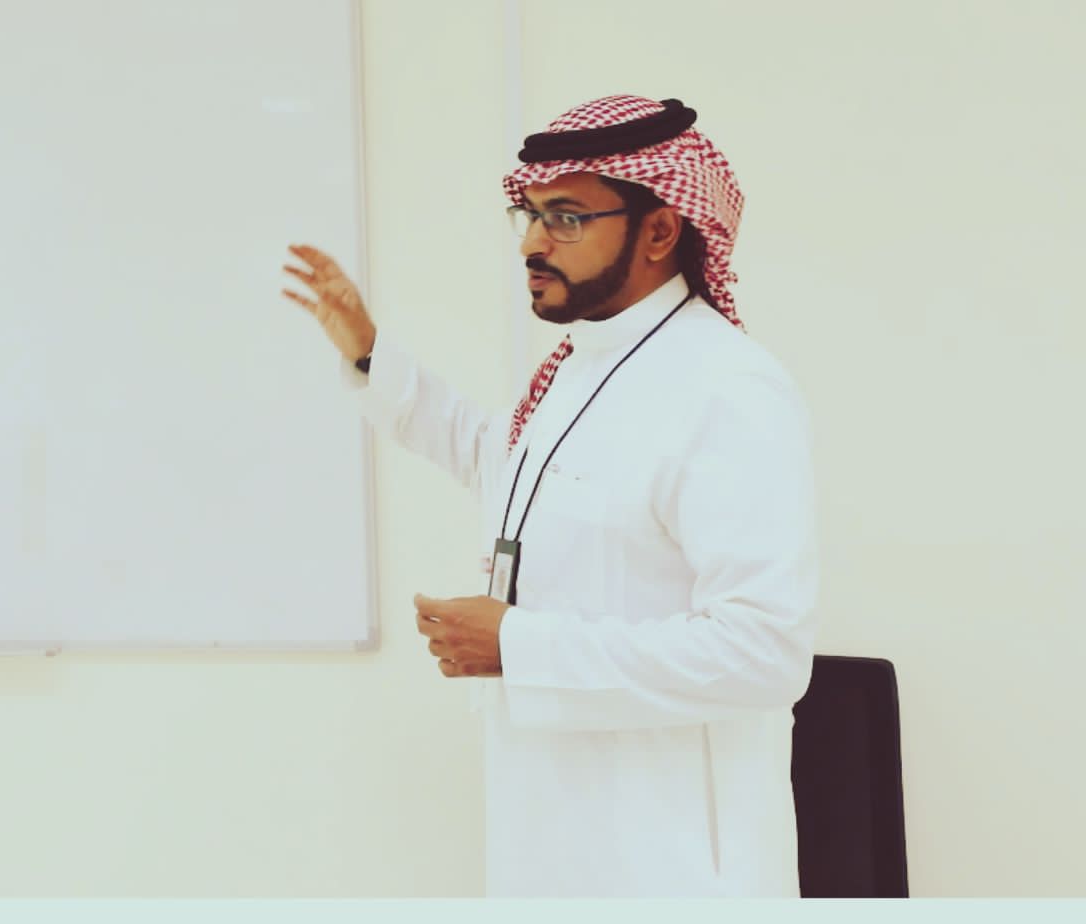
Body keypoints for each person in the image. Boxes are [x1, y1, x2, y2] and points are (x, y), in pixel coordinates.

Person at [281, 95, 818, 897]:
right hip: (553, 831)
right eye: (529, 215)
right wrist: (369, 353)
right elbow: (500, 463)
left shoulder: (728, 390)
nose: (532, 243)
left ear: (660, 231)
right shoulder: (583, 365)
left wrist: (519, 645)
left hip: (672, 862)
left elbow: (763, 653)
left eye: (565, 218)